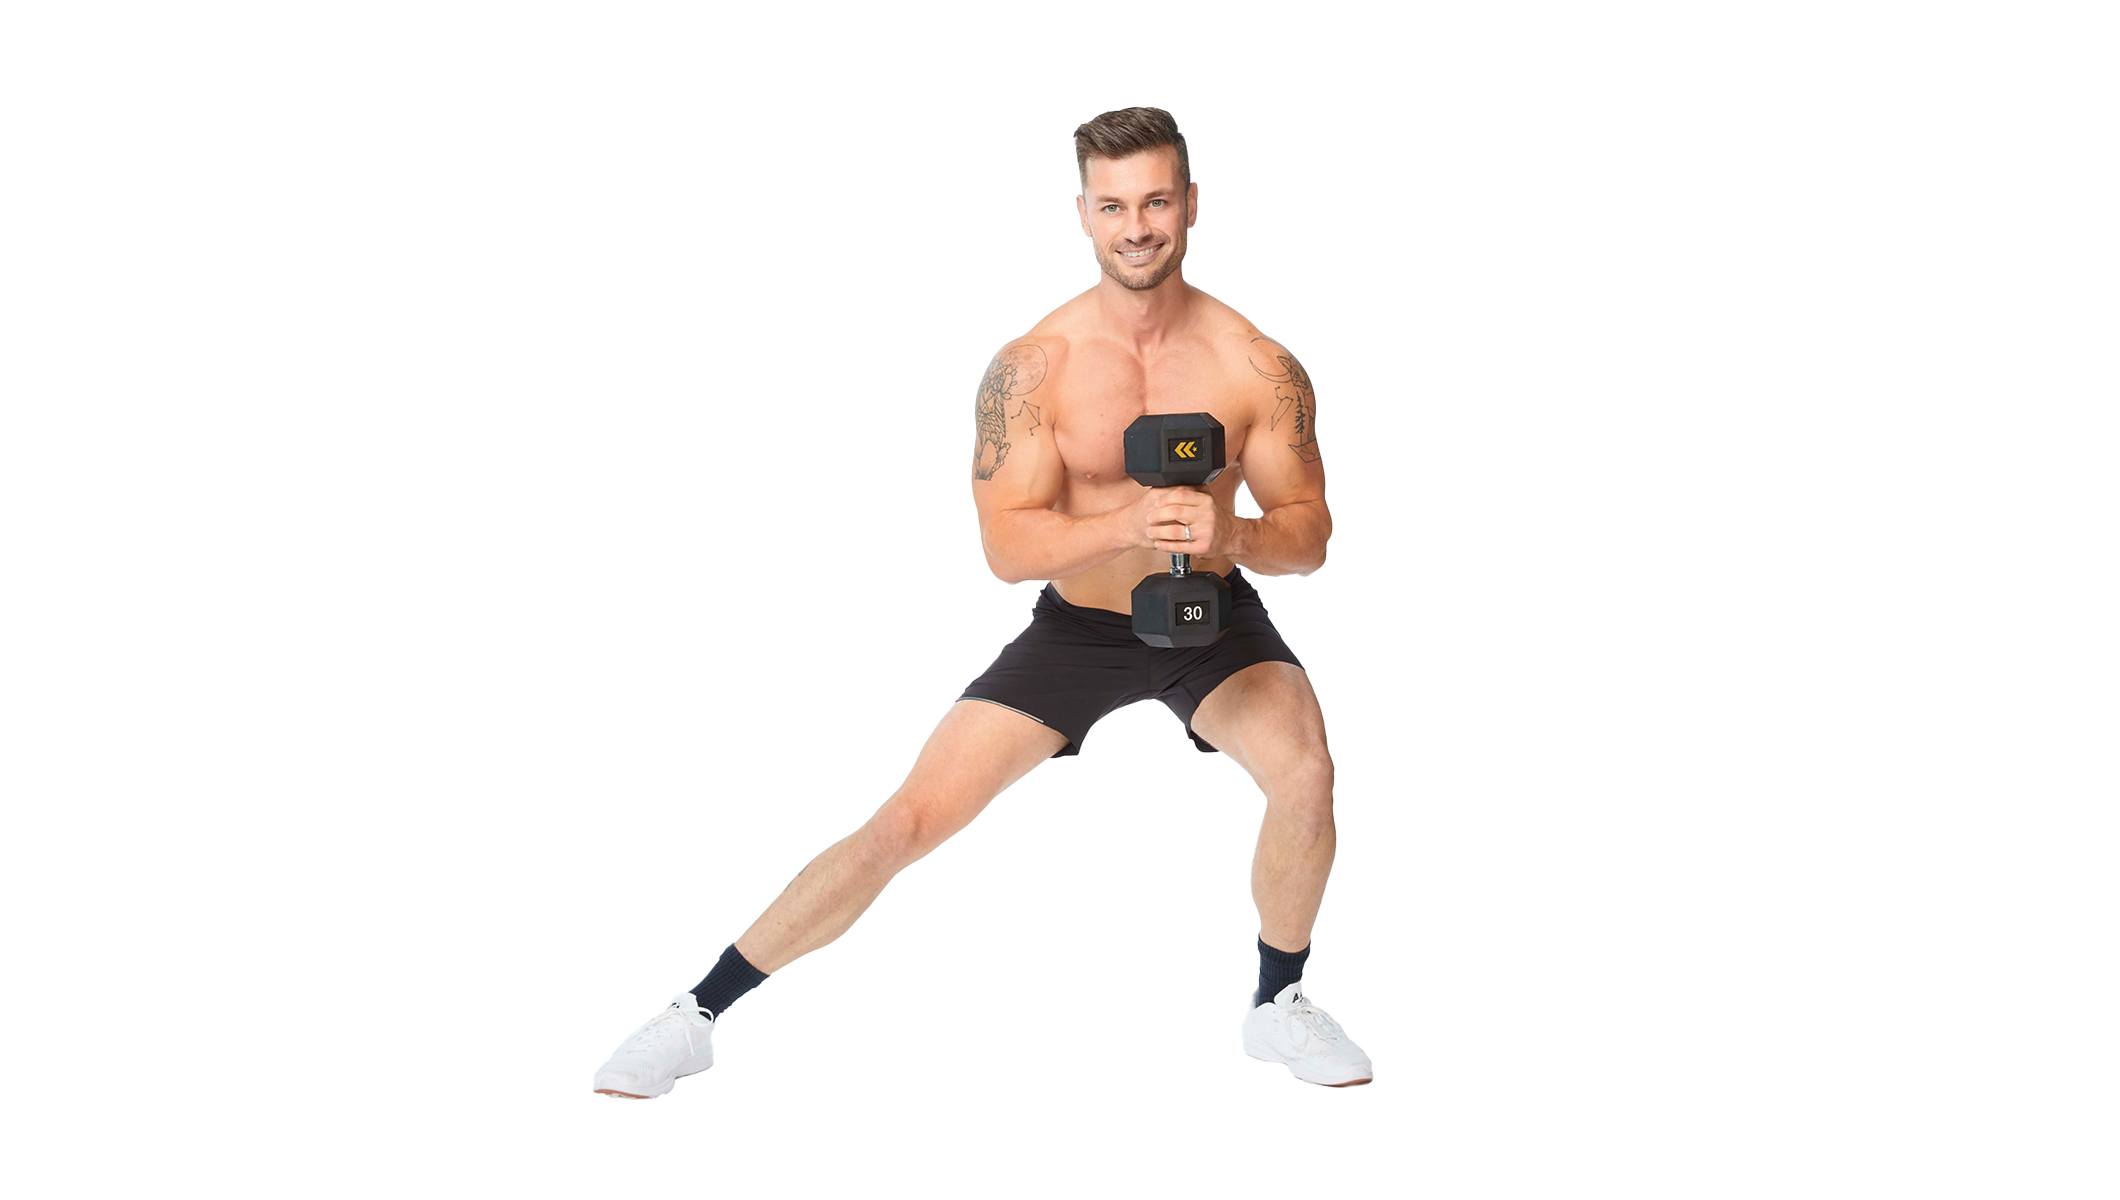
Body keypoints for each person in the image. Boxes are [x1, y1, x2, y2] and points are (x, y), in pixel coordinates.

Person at [594, 106, 1369, 1096]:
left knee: (1305, 776)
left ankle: (1278, 1002)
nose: (1136, 227)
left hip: (1213, 619)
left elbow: (1309, 533)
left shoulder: (1254, 363)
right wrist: (1129, 521)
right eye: (1113, 206)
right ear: (1082, 214)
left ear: (1190, 204)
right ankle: (696, 1014)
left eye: (1155, 202)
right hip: (1079, 631)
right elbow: (1007, 548)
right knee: (907, 823)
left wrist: (1236, 536)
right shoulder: (1034, 368)